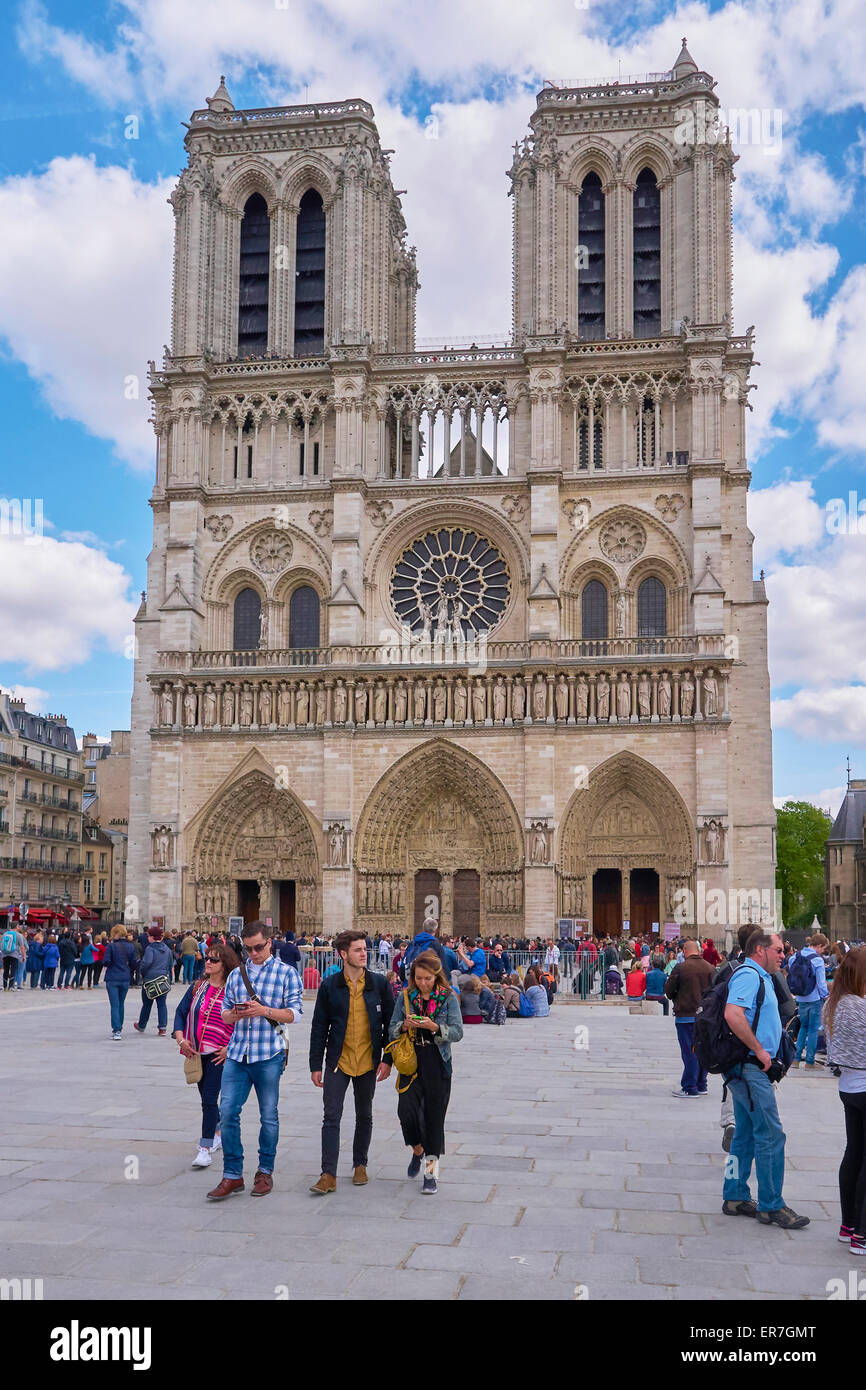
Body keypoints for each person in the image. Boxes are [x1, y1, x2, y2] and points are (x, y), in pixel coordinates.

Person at [207, 920, 302, 1200]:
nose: (253, 954)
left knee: (268, 1116)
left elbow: (296, 1014)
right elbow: (224, 1012)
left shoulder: (286, 973)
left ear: (270, 942)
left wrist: (264, 1010)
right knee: (227, 1112)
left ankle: (264, 1172)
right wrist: (234, 1014)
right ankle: (233, 1174)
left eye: (258, 947)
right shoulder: (237, 975)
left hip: (268, 1054)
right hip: (237, 1053)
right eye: (248, 949)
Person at [721, 930, 809, 1229]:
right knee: (771, 1134)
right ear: (760, 950)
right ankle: (772, 1205)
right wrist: (759, 1050)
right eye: (779, 950)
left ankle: (734, 1195)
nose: (783, 955)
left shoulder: (762, 976)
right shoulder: (749, 975)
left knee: (744, 1133)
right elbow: (733, 1014)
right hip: (749, 1069)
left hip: (747, 1068)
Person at [308, 929, 394, 1194]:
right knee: (331, 1116)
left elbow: (391, 1026)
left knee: (364, 1114)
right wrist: (315, 1065)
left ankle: (360, 1164)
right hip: (338, 1061)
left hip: (368, 1060)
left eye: (364, 949)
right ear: (343, 954)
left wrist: (388, 1059)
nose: (363, 954)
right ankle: (328, 1173)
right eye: (358, 950)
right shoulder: (330, 985)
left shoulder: (379, 984)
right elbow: (319, 1026)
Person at [388, 950, 463, 1194]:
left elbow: (457, 1032)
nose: (423, 983)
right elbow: (392, 1029)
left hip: (437, 1062)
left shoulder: (448, 998)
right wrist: (404, 1025)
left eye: (428, 979)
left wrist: (434, 1027)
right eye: (419, 978)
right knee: (406, 1113)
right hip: (412, 1061)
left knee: (433, 1119)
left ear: (436, 976)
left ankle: (431, 1173)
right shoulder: (406, 997)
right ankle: (417, 1150)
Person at [174, 940, 240, 1169]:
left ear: (225, 964)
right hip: (196, 1051)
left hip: (218, 1054)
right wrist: (181, 1039)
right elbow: (181, 1013)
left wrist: (230, 1047)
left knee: (210, 1099)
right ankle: (218, 1131)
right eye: (207, 958)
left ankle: (205, 1148)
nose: (208, 962)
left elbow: (243, 1022)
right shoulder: (198, 987)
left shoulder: (233, 990)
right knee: (206, 1098)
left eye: (214, 959)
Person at [823, 947, 866, 1253]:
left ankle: (848, 1224)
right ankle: (862, 1236)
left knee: (854, 1153)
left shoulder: (833, 1003)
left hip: (849, 1088)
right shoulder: (859, 1007)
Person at [665, 939, 714, 1097]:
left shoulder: (681, 968)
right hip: (706, 1017)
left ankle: (689, 1087)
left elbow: (669, 990)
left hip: (686, 1016)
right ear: (699, 951)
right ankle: (702, 1084)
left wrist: (677, 998)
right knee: (703, 1050)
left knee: (689, 1052)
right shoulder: (710, 968)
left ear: (685, 950)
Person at [789, 932, 830, 1069]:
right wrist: (826, 996)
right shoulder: (817, 960)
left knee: (803, 1027)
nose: (823, 951)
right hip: (814, 999)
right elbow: (821, 984)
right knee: (813, 1030)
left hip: (800, 998)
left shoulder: (795, 956)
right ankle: (810, 1062)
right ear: (818, 945)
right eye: (823, 948)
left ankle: (795, 1059)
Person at [133, 924, 174, 1035]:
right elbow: (170, 964)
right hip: (162, 979)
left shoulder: (150, 948)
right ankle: (162, 1028)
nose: (147, 938)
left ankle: (141, 1025)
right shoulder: (166, 949)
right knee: (162, 1004)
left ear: (152, 937)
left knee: (147, 1004)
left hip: (150, 980)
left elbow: (146, 963)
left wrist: (143, 973)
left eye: (148, 936)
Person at [103, 923, 138, 1038]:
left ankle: (116, 1029)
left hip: (113, 977)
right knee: (121, 1003)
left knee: (115, 1004)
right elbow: (134, 963)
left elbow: (106, 961)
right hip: (125, 977)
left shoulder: (111, 946)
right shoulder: (131, 946)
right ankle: (120, 1027)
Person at [2, 920, 26, 990]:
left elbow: (2, 945)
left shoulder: (5, 934)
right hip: (14, 954)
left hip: (5, 954)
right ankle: (11, 986)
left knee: (6, 970)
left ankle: (5, 986)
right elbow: (22, 947)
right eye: (18, 926)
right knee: (13, 970)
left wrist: (2, 955)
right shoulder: (19, 935)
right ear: (17, 927)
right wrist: (23, 956)